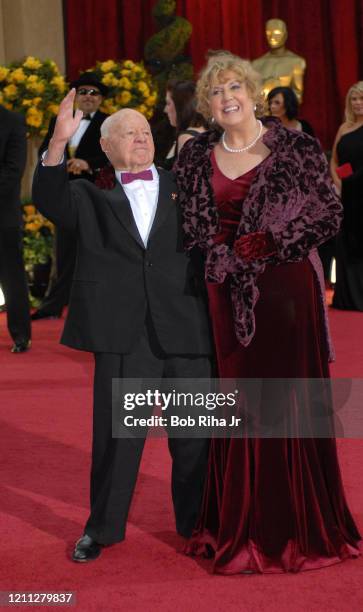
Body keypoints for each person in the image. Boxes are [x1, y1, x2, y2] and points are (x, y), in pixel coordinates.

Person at [174, 51, 361, 574]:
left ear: (254, 93)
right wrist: (219, 254)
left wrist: (265, 245)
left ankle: (297, 526)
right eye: (216, 91)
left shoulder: (295, 146)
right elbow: (190, 226)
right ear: (208, 106)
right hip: (225, 295)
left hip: (286, 294)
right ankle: (241, 524)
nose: (227, 97)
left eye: (235, 86)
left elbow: (329, 211)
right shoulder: (195, 157)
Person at [32, 90, 212, 563]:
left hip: (187, 326)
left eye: (146, 132)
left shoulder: (187, 186)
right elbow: (47, 199)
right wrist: (57, 143)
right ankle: (103, 529)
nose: (140, 138)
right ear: (107, 148)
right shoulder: (90, 195)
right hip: (124, 333)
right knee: (118, 440)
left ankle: (198, 526)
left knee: (196, 438)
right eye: (128, 133)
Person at [31, 73, 109, 320]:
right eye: (83, 92)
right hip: (65, 197)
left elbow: (115, 157)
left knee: (98, 252)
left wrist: (89, 165)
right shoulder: (59, 120)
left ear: (100, 99)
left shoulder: (109, 123)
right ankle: (53, 306)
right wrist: (60, 161)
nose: (88, 97)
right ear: (75, 96)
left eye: (94, 93)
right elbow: (45, 151)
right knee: (64, 253)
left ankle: (98, 307)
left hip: (98, 197)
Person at [0, 104, 31, 353]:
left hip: (3, 214)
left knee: (11, 276)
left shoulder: (12, 121)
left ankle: (21, 334)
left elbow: (13, 171)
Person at [330, 81, 363, 310]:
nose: (357, 103)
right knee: (347, 243)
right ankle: (348, 297)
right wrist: (339, 182)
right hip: (347, 195)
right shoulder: (344, 128)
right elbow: (335, 160)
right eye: (354, 99)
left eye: (361, 99)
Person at [252, 18, 306, 103]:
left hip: (283, 112)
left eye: (277, 33)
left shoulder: (296, 62)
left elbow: (297, 95)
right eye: (269, 33)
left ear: (285, 35)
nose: (272, 37)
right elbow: (253, 94)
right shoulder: (256, 64)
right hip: (261, 113)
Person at [163, 80, 208, 169]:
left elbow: (187, 181)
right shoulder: (202, 132)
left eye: (168, 103)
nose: (165, 109)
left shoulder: (187, 138)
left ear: (181, 106)